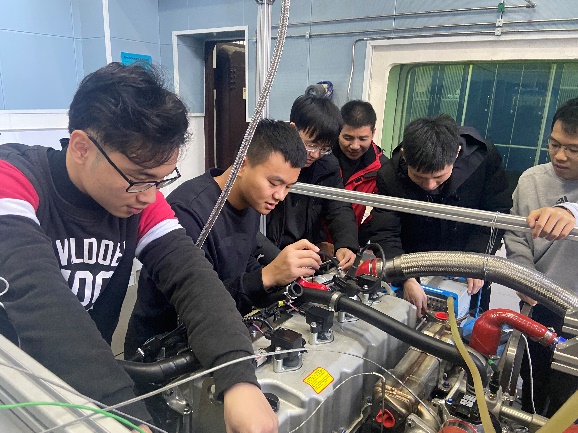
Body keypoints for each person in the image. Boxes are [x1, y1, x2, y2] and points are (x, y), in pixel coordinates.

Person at [0, 62, 277, 433]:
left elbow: (192, 277)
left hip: (85, 385)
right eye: (139, 179)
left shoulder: (138, 201)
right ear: (82, 148)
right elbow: (37, 294)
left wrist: (238, 375)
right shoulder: (13, 178)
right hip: (14, 383)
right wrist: (125, 412)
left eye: (160, 181)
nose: (150, 196)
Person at [125, 119, 322, 354]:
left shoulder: (250, 202)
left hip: (217, 333)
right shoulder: (189, 212)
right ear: (242, 165)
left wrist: (282, 277)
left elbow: (242, 260)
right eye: (274, 183)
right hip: (164, 351)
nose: (280, 195)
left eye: (288, 187)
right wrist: (267, 276)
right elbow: (197, 304)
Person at [368, 114, 511, 317]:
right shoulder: (390, 175)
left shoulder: (483, 160)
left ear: (457, 153)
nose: (429, 185)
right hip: (412, 264)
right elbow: (385, 231)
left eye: (438, 177)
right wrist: (404, 277)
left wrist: (477, 262)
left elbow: (495, 214)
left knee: (469, 320)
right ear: (405, 155)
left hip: (467, 263)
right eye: (419, 177)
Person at [504, 96, 578, 417]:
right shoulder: (531, 180)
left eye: (574, 149)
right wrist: (522, 274)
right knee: (533, 382)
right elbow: (516, 237)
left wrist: (571, 211)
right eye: (554, 144)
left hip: (576, 312)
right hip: (539, 305)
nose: (560, 156)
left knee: (567, 399)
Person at [264, 95, 359, 270]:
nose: (315, 154)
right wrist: (274, 258)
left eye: (324, 148)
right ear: (293, 129)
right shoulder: (270, 159)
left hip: (307, 252)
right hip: (269, 253)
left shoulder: (327, 165)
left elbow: (338, 207)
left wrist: (346, 244)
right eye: (310, 145)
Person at [334, 100, 388, 245]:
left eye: (363, 139)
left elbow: (382, 213)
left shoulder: (382, 169)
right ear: (338, 131)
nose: (355, 146)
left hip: (349, 245)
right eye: (348, 138)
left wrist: (357, 240)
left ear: (373, 133)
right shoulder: (321, 158)